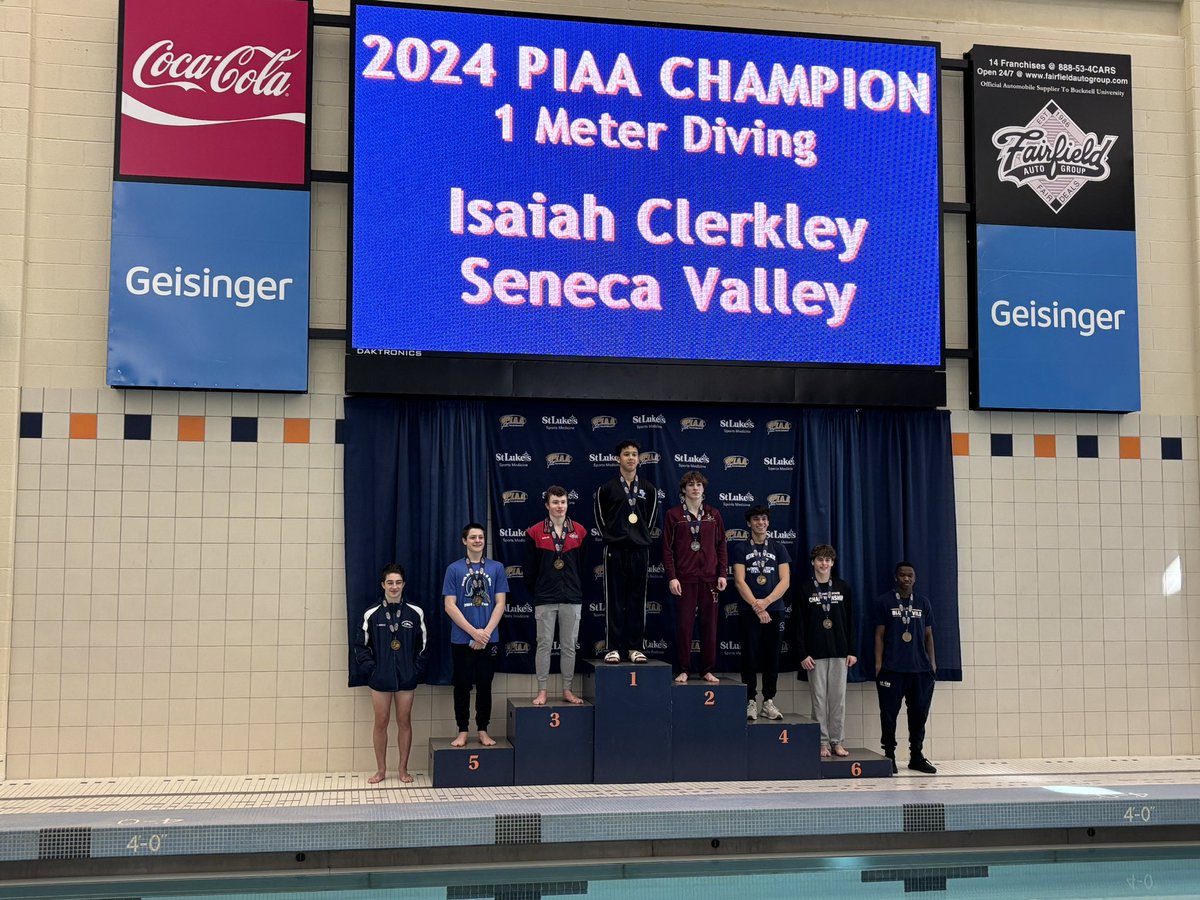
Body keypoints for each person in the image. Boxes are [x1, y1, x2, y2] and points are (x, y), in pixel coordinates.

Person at [356, 563, 427, 784]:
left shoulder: (415, 612)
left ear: (403, 584)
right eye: (390, 583)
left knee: (404, 720)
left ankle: (403, 770)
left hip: (406, 678)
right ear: (383, 585)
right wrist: (373, 669)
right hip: (380, 678)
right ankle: (381, 770)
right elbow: (360, 646)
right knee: (381, 721)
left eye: (398, 582)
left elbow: (423, 646)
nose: (394, 587)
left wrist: (413, 669)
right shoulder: (371, 613)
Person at [442, 523, 508, 747]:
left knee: (485, 685)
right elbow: (449, 605)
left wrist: (486, 633)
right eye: (473, 537)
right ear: (464, 541)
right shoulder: (454, 569)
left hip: (489, 639)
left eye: (480, 537)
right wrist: (473, 633)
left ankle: (482, 729)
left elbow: (500, 603)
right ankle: (462, 730)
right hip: (461, 639)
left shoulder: (497, 568)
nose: (477, 540)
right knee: (461, 685)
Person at [593, 439, 658, 664]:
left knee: (637, 599)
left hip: (640, 550)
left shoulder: (649, 489)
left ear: (639, 459)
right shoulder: (607, 488)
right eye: (626, 454)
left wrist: (638, 537)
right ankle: (612, 648)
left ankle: (635, 647)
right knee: (614, 598)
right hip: (615, 549)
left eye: (634, 454)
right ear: (617, 459)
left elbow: (649, 521)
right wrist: (614, 538)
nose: (631, 457)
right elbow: (601, 520)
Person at [524, 485, 588, 706]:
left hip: (572, 596)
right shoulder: (534, 532)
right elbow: (529, 569)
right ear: (547, 505)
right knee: (544, 645)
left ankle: (567, 690)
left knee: (569, 645)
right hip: (544, 598)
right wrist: (539, 590)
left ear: (567, 504)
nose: (559, 506)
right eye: (555, 502)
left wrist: (576, 588)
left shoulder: (579, 531)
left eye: (563, 502)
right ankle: (542, 690)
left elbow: (584, 567)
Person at [662, 471, 727, 683]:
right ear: (684, 489)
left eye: (699, 484)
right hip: (685, 579)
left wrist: (722, 574)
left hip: (709, 579)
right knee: (684, 626)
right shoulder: (673, 515)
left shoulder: (713, 515)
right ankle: (684, 669)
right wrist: (672, 577)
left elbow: (721, 546)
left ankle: (707, 669)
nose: (695, 488)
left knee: (709, 626)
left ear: (704, 489)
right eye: (690, 485)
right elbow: (667, 550)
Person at [874, 561, 938, 774]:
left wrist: (933, 663)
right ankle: (889, 755)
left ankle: (916, 756)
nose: (906, 579)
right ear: (896, 577)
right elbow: (879, 635)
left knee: (919, 714)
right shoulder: (884, 601)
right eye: (902, 575)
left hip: (920, 670)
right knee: (889, 714)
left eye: (910, 575)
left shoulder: (922, 602)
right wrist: (878, 663)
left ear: (915, 578)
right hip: (892, 669)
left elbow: (929, 634)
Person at [795, 543, 856, 758]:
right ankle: (821, 743)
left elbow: (851, 621)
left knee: (838, 699)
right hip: (815, 654)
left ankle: (837, 741)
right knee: (819, 700)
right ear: (813, 562)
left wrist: (852, 650)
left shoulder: (843, 587)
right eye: (820, 560)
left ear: (832, 563)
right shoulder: (804, 589)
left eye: (828, 560)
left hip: (840, 652)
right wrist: (802, 653)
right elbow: (798, 624)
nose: (824, 563)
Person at [731, 505, 790, 720]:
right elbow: (739, 581)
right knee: (750, 656)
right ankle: (750, 701)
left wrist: (766, 602)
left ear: (768, 522)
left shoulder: (778, 548)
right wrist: (757, 606)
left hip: (774, 609)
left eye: (764, 519)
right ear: (749, 523)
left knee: (771, 657)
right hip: (749, 610)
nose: (760, 522)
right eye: (756, 519)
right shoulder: (740, 548)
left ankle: (768, 701)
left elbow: (785, 581)